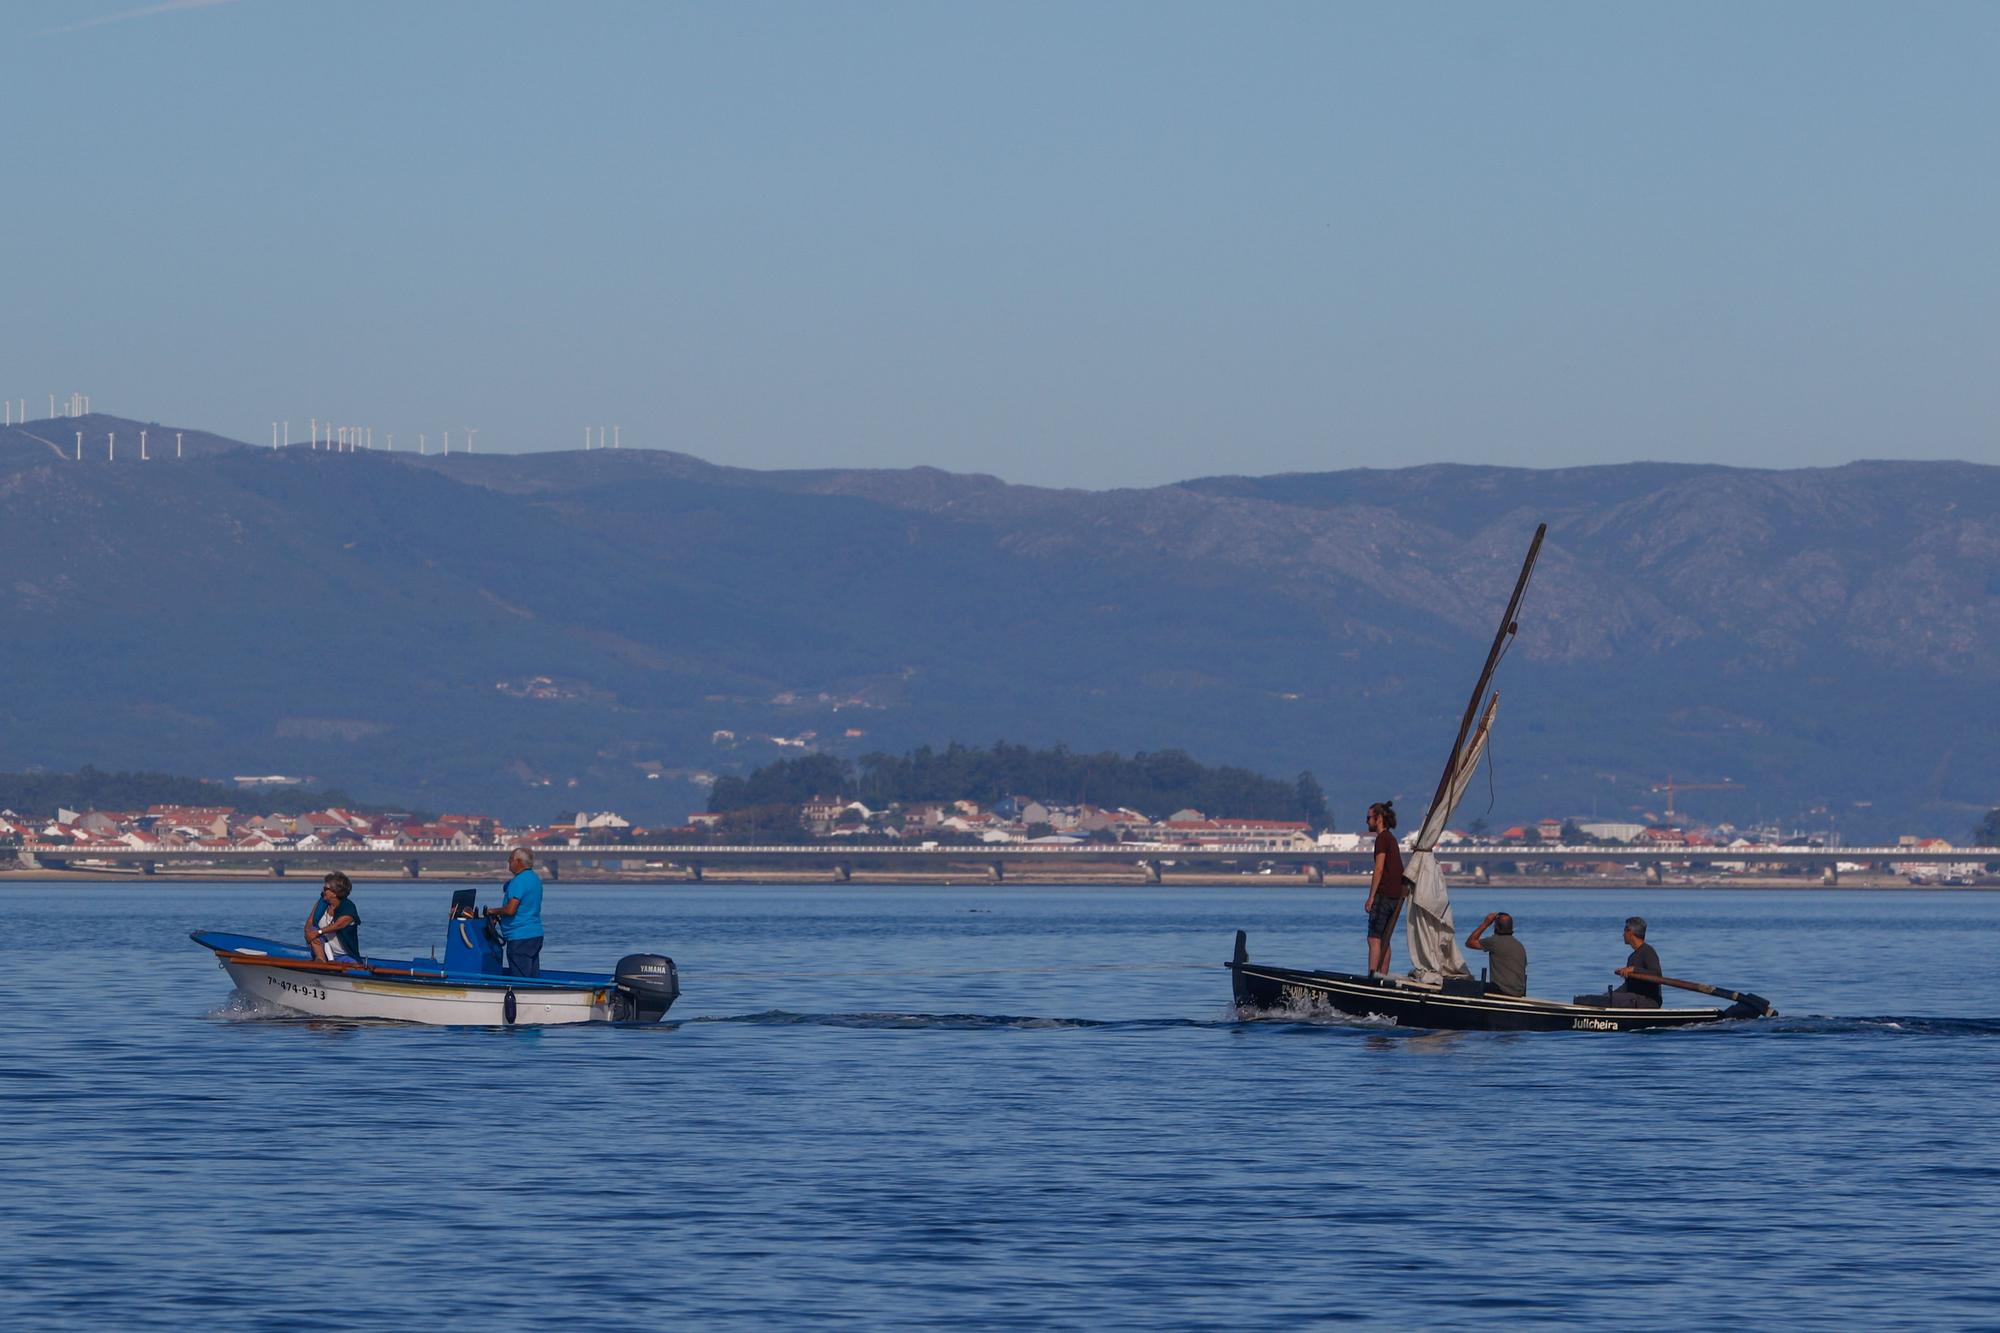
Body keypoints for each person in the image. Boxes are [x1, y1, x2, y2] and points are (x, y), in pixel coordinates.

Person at [1575, 916, 1663, 1008]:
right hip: (1634, 999)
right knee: (1603, 998)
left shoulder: (1648, 951)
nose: (1623, 934)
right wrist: (1609, 995)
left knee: (1609, 999)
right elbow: (1629, 986)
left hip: (1649, 1001)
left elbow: (1656, 974)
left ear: (1630, 932)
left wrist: (1634, 969)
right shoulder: (1632, 957)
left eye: (1624, 931)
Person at [485, 846, 545, 977]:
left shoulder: (518, 881)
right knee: (532, 976)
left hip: (520, 937)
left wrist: (492, 911)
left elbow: (511, 909)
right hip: (535, 934)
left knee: (521, 978)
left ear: (518, 861)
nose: (508, 862)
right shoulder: (535, 878)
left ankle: (521, 996)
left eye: (510, 859)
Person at [1363, 800, 1406, 976]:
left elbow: (1379, 868)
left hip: (1384, 895)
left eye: (1368, 818)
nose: (1366, 822)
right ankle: (1382, 977)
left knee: (1374, 939)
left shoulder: (1382, 839)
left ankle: (1372, 978)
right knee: (1384, 939)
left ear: (1378, 818)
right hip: (1395, 896)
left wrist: (1371, 896)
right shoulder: (1391, 839)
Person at [1465, 911, 1527, 997]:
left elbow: (1469, 943)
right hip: (1518, 991)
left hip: (1502, 991)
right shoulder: (1519, 945)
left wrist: (1485, 923)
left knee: (1468, 986)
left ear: (1496, 927)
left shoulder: (1494, 941)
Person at [305, 871, 361, 962]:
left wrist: (318, 932)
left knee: (316, 932)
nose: (323, 891)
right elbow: (310, 922)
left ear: (335, 893)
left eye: (325, 889)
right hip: (323, 952)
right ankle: (320, 960)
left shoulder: (348, 907)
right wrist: (308, 933)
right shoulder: (323, 902)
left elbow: (338, 925)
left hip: (346, 956)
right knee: (313, 930)